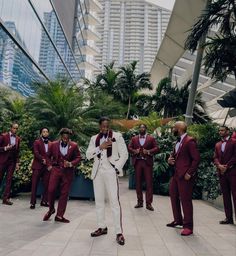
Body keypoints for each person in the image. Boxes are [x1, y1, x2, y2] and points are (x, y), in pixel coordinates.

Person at [86, 117, 128, 245]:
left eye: (107, 126)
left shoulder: (117, 136)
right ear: (99, 126)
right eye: (103, 126)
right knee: (99, 201)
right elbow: (88, 155)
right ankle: (102, 227)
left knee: (114, 202)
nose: (105, 128)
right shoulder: (94, 139)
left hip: (110, 171)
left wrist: (116, 167)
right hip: (98, 172)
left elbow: (124, 154)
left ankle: (119, 232)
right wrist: (100, 147)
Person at [167, 121, 200, 236]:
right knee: (173, 195)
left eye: (174, 127)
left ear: (179, 129)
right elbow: (175, 156)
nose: (172, 129)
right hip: (176, 174)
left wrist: (189, 173)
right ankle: (178, 220)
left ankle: (188, 226)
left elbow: (196, 159)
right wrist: (169, 161)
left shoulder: (190, 141)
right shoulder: (178, 141)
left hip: (185, 176)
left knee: (185, 200)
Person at [43, 128, 81, 223]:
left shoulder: (74, 145)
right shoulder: (53, 144)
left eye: (67, 138)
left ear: (69, 137)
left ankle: (59, 216)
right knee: (50, 190)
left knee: (64, 194)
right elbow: (47, 156)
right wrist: (49, 165)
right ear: (61, 136)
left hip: (67, 172)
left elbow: (78, 157)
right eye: (64, 137)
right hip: (55, 170)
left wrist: (71, 163)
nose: (65, 139)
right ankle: (51, 209)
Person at [128, 124, 159, 211]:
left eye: (143, 127)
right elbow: (129, 147)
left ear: (146, 129)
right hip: (137, 162)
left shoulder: (151, 138)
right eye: (140, 127)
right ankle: (139, 202)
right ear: (139, 129)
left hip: (147, 163)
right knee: (138, 183)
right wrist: (135, 151)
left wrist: (148, 151)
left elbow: (157, 148)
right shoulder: (134, 139)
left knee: (149, 183)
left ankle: (149, 204)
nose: (142, 129)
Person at [214, 126, 236, 224]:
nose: (220, 132)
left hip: (232, 173)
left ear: (228, 131)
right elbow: (215, 157)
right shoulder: (218, 144)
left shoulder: (234, 142)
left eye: (222, 130)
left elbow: (235, 156)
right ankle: (229, 218)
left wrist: (226, 166)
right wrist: (219, 165)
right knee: (226, 196)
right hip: (222, 173)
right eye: (219, 130)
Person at [30, 127, 51, 209]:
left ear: (48, 133)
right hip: (37, 166)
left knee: (47, 185)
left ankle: (44, 201)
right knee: (34, 185)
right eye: (43, 132)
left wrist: (50, 164)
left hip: (46, 168)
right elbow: (36, 153)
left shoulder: (50, 143)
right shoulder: (37, 142)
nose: (45, 133)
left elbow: (51, 155)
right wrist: (42, 160)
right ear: (41, 133)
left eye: (46, 132)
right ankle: (32, 203)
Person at [0, 122, 20, 205]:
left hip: (12, 162)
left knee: (9, 180)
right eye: (14, 128)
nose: (15, 130)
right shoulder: (3, 136)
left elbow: (17, 151)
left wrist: (17, 163)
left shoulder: (18, 139)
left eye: (17, 128)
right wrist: (5, 148)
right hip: (2, 161)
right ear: (11, 128)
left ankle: (6, 199)